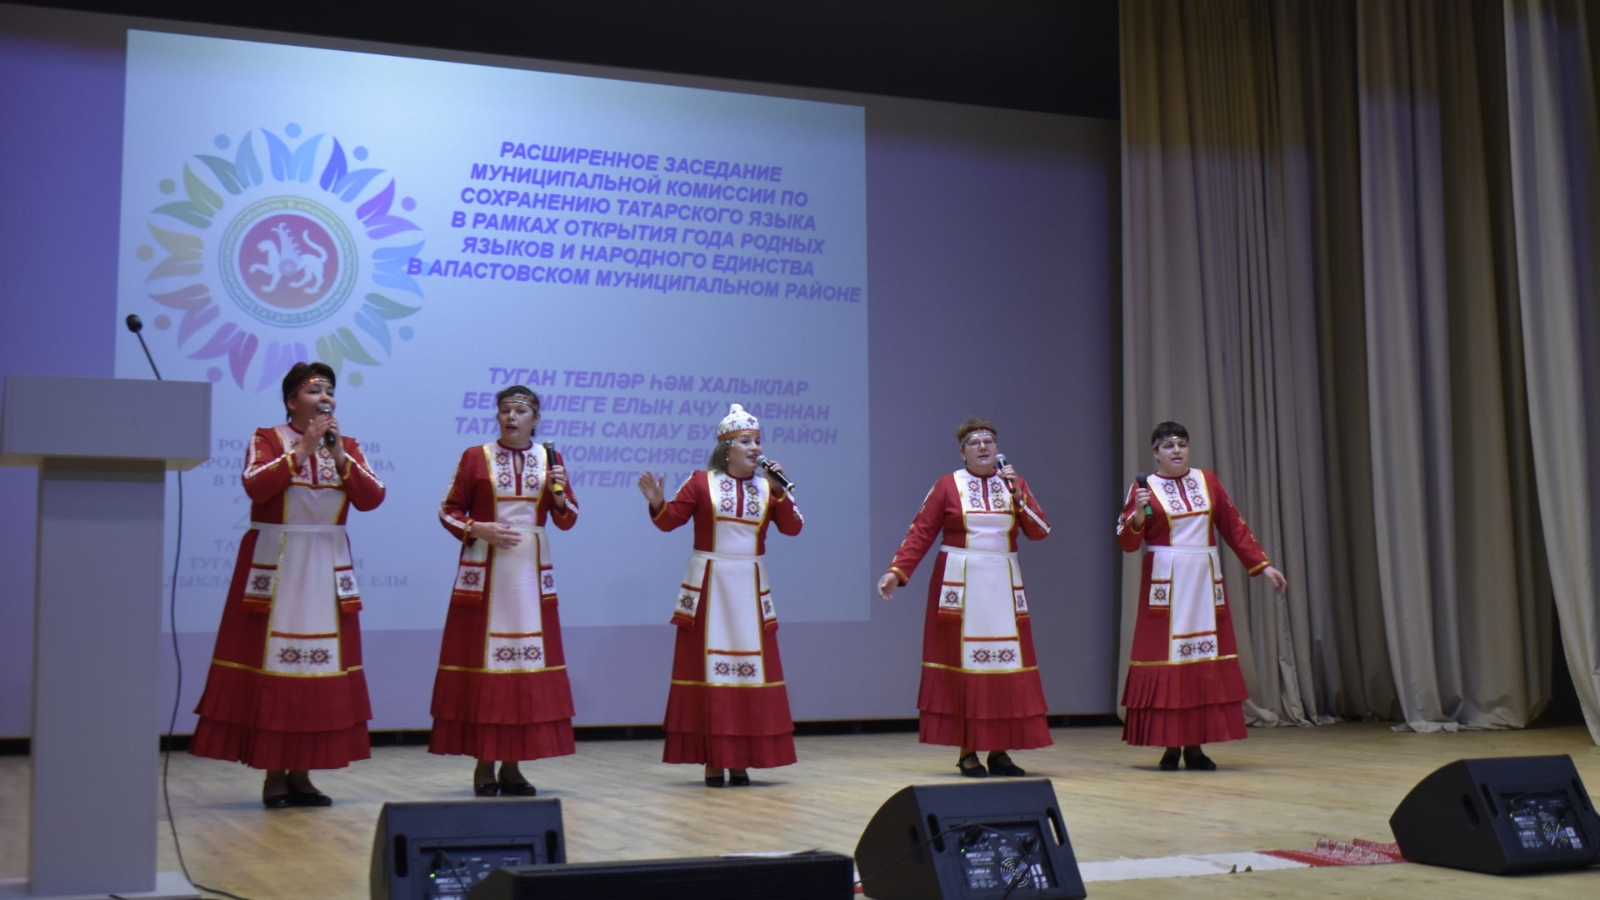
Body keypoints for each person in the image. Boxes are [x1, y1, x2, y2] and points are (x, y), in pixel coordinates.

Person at [190, 362, 386, 807]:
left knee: (317, 667)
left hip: (326, 567)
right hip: (278, 566)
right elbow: (256, 487)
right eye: (314, 390)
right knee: (275, 666)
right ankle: (273, 775)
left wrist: (336, 455)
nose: (324, 397)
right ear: (291, 400)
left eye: (330, 390)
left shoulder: (348, 446)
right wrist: (304, 448)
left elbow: (373, 498)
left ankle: (303, 774)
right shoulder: (267, 438)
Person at [636, 403, 802, 787]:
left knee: (749, 673)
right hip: (711, 588)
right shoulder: (700, 482)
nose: (755, 447)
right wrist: (657, 501)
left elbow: (794, 528)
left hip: (750, 586)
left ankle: (741, 758)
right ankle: (713, 760)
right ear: (727, 449)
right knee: (709, 672)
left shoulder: (768, 487)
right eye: (746, 441)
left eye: (758, 441)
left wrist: (780, 494)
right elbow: (668, 522)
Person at [877, 417, 1052, 778]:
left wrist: (1018, 497)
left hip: (1003, 585)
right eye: (975, 443)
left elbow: (1040, 530)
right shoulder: (947, 485)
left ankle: (1000, 752)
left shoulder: (1014, 484)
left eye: (990, 441)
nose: (984, 447)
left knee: (1003, 665)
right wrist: (897, 572)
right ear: (962, 453)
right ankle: (967, 751)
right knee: (965, 667)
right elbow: (921, 532)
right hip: (961, 586)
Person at [429, 386, 577, 796]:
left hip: (529, 574)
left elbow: (568, 519)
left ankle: (512, 767)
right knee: (486, 667)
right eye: (505, 411)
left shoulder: (550, 459)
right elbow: (447, 509)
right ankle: (483, 766)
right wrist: (477, 528)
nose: (511, 417)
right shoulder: (475, 456)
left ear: (535, 420)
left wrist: (559, 496)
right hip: (487, 574)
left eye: (520, 411)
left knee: (522, 670)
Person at [1116, 421, 1287, 771]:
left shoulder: (1207, 481)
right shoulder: (1144, 489)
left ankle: (1195, 747)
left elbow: (1234, 527)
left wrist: (1263, 566)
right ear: (1155, 454)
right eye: (1167, 446)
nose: (1176, 450)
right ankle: (1170, 746)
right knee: (1169, 663)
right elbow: (1128, 542)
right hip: (1166, 585)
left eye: (1181, 443)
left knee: (1200, 664)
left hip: (1204, 585)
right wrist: (1136, 517)